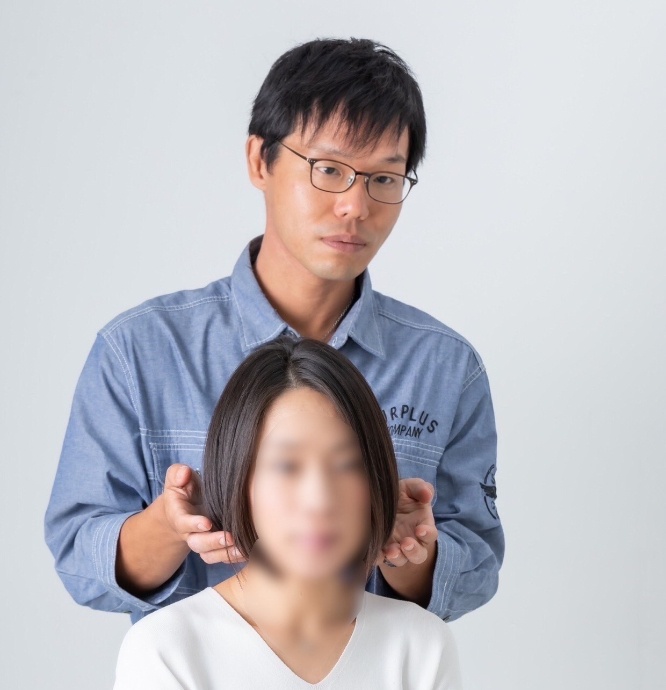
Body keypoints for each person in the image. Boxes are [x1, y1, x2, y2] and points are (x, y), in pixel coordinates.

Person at [45, 37, 503, 625]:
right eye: (329, 170)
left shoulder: (444, 366)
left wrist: (411, 549)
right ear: (260, 161)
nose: (355, 207)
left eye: (385, 179)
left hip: (375, 666)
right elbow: (79, 559)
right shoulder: (140, 351)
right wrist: (169, 527)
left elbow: (477, 567)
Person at [113, 337, 462, 689]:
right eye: (286, 466)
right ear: (236, 479)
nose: (319, 500)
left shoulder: (421, 644)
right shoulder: (165, 649)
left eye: (347, 464)